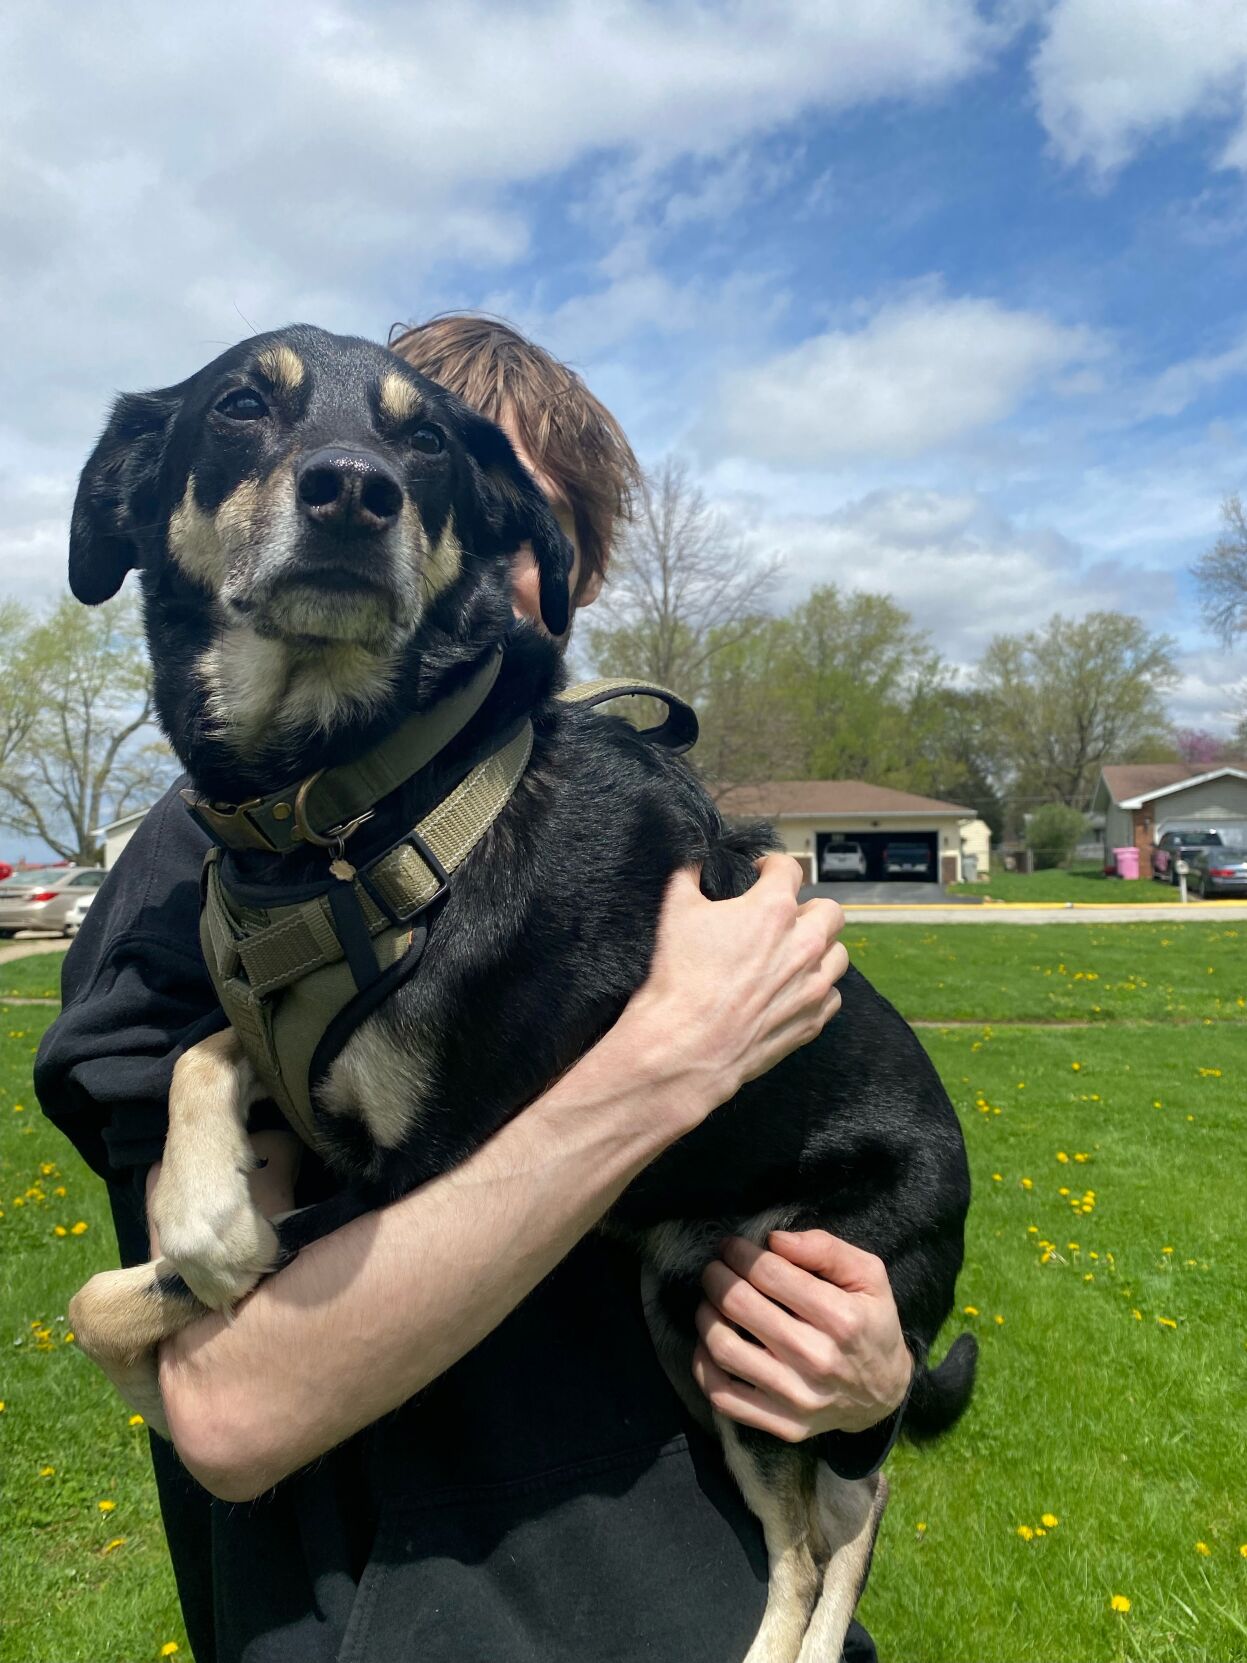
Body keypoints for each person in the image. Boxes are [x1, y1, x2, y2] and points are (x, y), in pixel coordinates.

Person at [36, 315, 912, 1663]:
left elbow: (834, 1161)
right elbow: (228, 1410)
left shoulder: (607, 824)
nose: (362, 492)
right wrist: (666, 1064)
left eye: (495, 529)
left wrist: (874, 1361)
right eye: (306, 449)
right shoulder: (195, 880)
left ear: (560, 573)